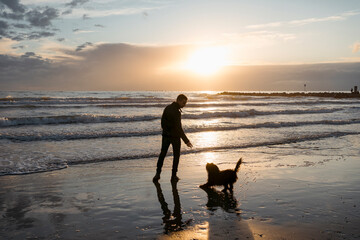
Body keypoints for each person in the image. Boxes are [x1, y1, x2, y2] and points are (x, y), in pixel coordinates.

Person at [153, 94, 193, 182]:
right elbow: (179, 128)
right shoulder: (177, 112)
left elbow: (162, 123)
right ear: (178, 100)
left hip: (166, 136)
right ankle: (173, 176)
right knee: (176, 156)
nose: (184, 105)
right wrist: (187, 141)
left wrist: (167, 131)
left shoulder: (167, 108)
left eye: (185, 103)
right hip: (175, 137)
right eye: (183, 102)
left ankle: (157, 174)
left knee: (162, 154)